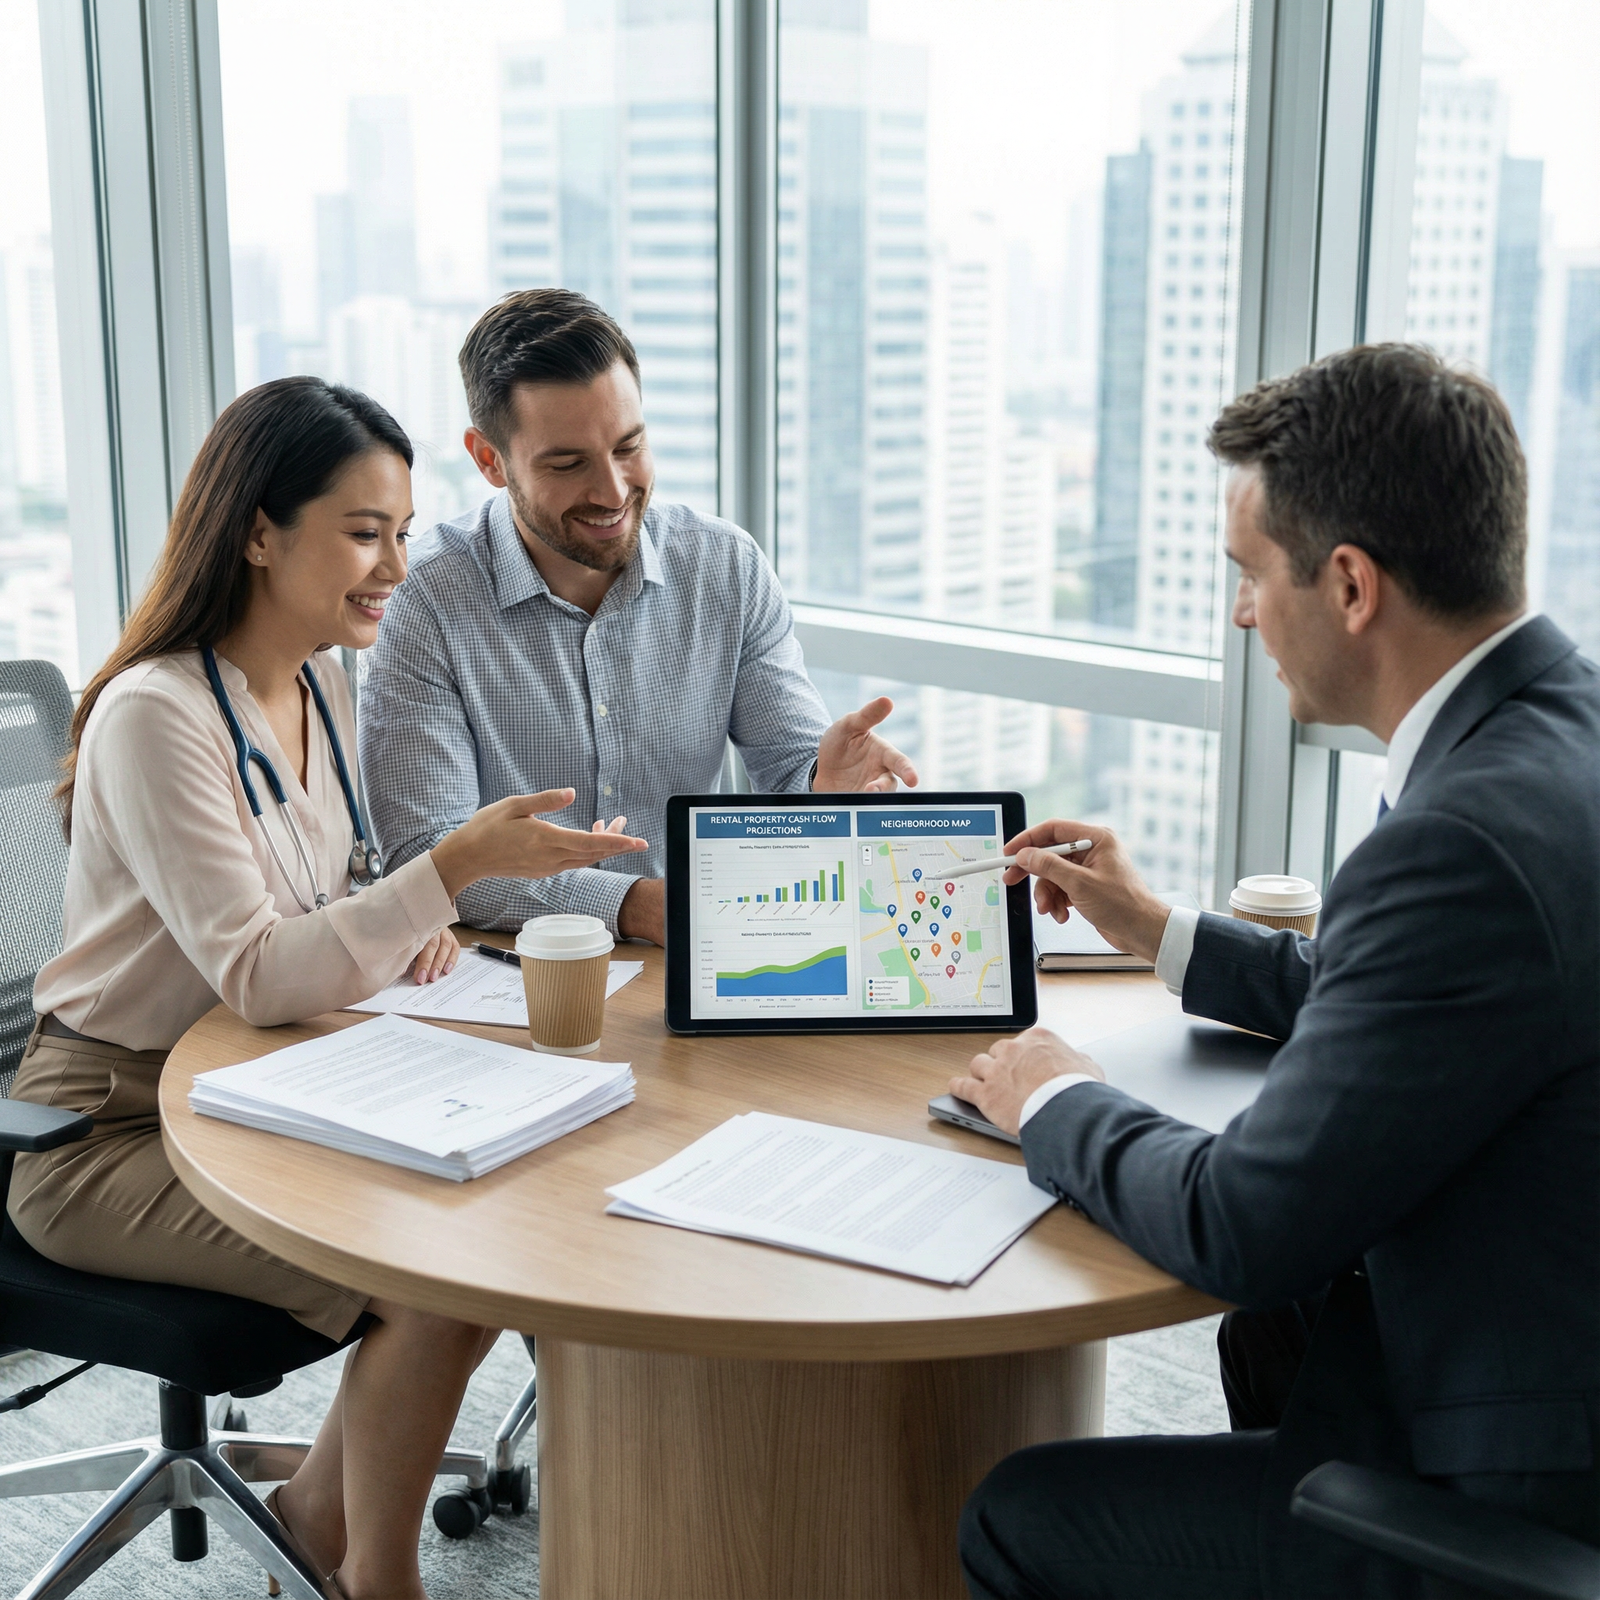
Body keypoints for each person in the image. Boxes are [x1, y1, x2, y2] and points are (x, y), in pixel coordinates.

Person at [949, 344, 1600, 1599]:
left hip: (1517, 1485)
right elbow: (1419, 1002)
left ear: (1348, 583)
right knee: (1273, 1341)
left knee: (1020, 1511)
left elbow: (1240, 1225)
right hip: (1543, 1342)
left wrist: (1053, 1097)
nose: (1243, 613)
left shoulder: (1455, 842)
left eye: (1248, 575)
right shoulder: (1554, 729)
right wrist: (1160, 930)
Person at [11, 377, 648, 1600]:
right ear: (258, 531)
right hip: (103, 1127)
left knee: (486, 1230)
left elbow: (325, 894)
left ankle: (313, 1527)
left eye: (404, 532)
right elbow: (255, 971)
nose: (396, 567)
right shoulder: (158, 714)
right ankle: (374, 1580)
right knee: (419, 1272)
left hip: (259, 1075)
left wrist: (397, 921)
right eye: (365, 533)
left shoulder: (313, 677)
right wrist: (447, 870)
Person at [357, 288, 916, 949]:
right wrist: (641, 907)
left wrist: (826, 786)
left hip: (697, 964)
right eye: (568, 464)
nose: (613, 492)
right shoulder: (423, 600)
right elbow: (427, 857)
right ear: (489, 460)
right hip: (514, 985)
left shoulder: (724, 567)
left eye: (629, 447)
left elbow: (792, 773)